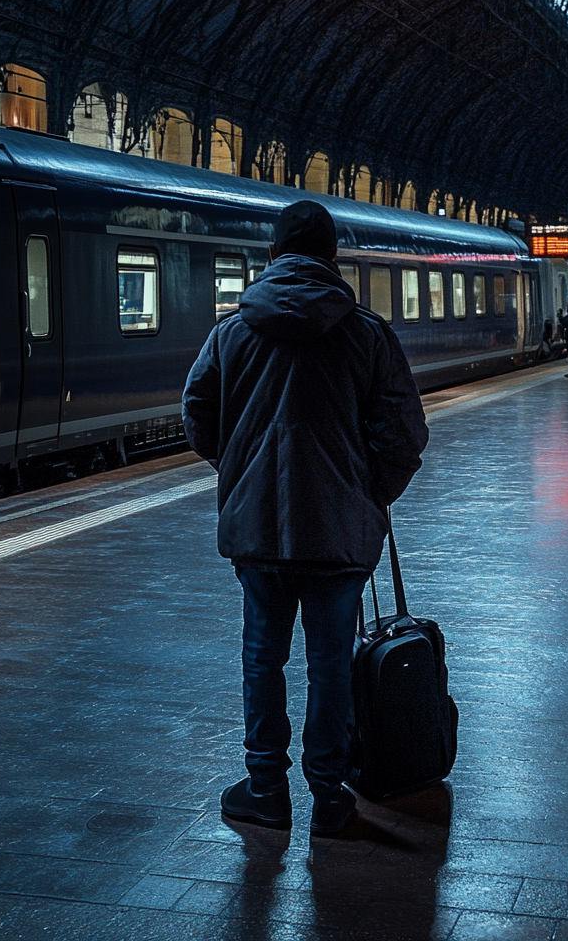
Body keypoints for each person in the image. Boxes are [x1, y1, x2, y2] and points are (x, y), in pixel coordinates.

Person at [182, 200, 428, 838]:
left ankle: (266, 789)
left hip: (259, 531)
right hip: (339, 535)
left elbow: (197, 409)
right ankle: (329, 797)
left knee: (261, 659)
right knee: (329, 663)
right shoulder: (367, 333)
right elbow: (404, 435)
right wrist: (369, 496)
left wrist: (236, 472)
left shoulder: (231, 332)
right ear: (332, 259)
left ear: (271, 258)